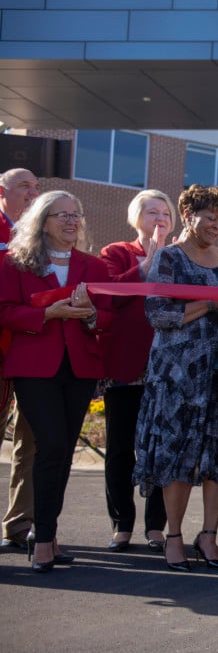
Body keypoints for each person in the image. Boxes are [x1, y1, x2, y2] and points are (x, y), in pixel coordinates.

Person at [133, 184, 218, 573]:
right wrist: (210, 302)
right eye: (209, 218)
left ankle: (210, 536)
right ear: (188, 216)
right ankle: (175, 536)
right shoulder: (168, 258)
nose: (216, 226)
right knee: (177, 454)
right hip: (177, 375)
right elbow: (158, 315)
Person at [0, 190, 111, 572]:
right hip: (34, 367)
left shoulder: (93, 266)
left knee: (61, 451)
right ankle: (43, 538)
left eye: (75, 214)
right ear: (42, 220)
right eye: (61, 214)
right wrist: (48, 314)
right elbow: (6, 312)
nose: (71, 221)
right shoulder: (16, 263)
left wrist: (90, 315)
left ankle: (46, 530)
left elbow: (107, 319)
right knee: (50, 446)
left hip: (80, 368)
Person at [99, 188, 174, 553]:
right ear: (136, 217)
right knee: (120, 448)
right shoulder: (116, 252)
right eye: (152, 213)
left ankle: (155, 526)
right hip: (126, 367)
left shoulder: (179, 256)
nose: (160, 219)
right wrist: (149, 259)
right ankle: (122, 523)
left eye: (165, 214)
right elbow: (110, 294)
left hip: (167, 369)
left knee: (161, 448)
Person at [0, 167, 40, 551]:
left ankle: (19, 523)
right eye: (24, 186)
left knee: (30, 441)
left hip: (31, 351)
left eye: (35, 187)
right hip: (1, 347)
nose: (32, 192)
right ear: (2, 191)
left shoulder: (44, 238)